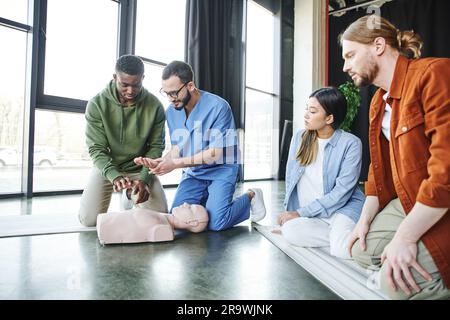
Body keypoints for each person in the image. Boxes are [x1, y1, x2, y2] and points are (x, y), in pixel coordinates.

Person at [341, 15, 450, 299]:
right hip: (411, 200)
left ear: (378, 45)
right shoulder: (378, 101)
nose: (345, 66)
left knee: (395, 286)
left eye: (350, 55)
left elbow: (445, 172)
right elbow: (379, 171)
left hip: (442, 200)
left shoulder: (434, 73)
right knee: (360, 250)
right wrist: (363, 221)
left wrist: (406, 237)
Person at [134, 60, 266, 231]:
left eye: (174, 93)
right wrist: (161, 161)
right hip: (194, 173)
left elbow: (214, 154)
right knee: (178, 218)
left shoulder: (219, 107)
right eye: (166, 93)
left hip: (221, 170)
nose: (170, 99)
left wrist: (174, 164)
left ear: (190, 86)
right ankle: (209, 203)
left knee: (216, 222)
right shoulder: (172, 112)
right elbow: (177, 148)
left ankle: (251, 196)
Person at [79, 54, 168, 227]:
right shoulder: (96, 104)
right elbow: (97, 149)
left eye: (136, 85)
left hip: (140, 168)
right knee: (89, 220)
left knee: (160, 217)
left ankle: (130, 196)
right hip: (108, 167)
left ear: (143, 78)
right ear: (115, 78)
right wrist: (114, 175)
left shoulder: (155, 105)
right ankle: (128, 192)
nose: (130, 91)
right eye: (124, 84)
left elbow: (156, 147)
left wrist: (144, 178)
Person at [275, 87, 364, 259]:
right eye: (307, 108)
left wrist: (300, 214)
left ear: (329, 118)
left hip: (342, 209)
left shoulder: (351, 143)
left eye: (313, 111)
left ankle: (346, 233)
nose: (306, 114)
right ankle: (341, 234)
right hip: (314, 214)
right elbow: (291, 179)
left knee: (341, 251)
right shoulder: (299, 138)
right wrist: (293, 212)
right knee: (290, 231)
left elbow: (341, 193)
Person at [96, 203, 209, 244]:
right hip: (105, 221)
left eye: (191, 208)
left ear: (193, 222)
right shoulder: (163, 218)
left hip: (106, 227)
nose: (185, 204)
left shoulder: (164, 230)